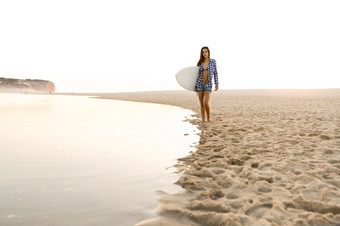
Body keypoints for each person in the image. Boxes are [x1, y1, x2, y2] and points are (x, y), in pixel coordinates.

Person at [195, 46, 219, 123]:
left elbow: (215, 73)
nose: (204, 53)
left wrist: (217, 84)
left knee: (206, 103)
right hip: (199, 84)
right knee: (201, 104)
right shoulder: (199, 63)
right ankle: (203, 120)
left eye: (206, 51)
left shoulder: (213, 61)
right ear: (201, 54)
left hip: (208, 84)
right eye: (203, 52)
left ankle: (208, 118)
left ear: (208, 52)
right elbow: (195, 75)